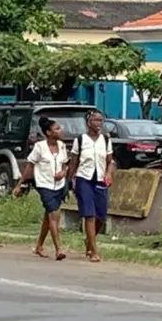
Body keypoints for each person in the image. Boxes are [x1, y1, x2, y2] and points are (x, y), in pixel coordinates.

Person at [13, 116, 69, 261]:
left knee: (48, 217)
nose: (60, 131)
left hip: (59, 185)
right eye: (57, 128)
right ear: (48, 132)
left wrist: (63, 173)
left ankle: (39, 246)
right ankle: (58, 249)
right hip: (44, 185)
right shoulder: (40, 147)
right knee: (53, 215)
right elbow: (30, 166)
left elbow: (65, 164)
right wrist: (20, 184)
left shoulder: (62, 146)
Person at [67, 109, 113, 263]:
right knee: (89, 215)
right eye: (95, 120)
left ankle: (89, 240)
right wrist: (68, 181)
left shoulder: (105, 140)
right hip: (83, 179)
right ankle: (93, 250)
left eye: (101, 120)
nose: (99, 124)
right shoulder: (80, 140)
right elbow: (74, 162)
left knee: (101, 214)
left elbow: (109, 162)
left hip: (100, 180)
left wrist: (108, 174)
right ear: (88, 122)